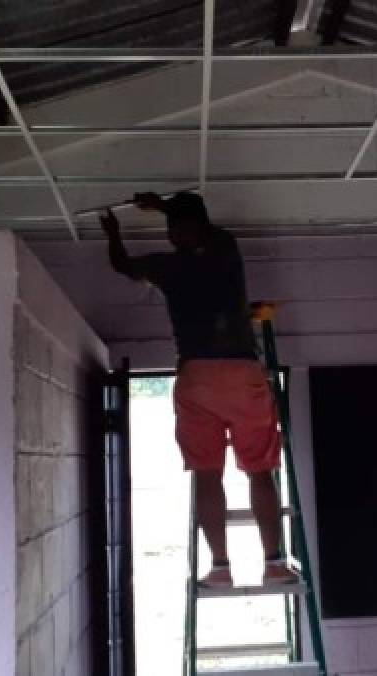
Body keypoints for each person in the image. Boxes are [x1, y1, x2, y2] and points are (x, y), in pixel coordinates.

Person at [101, 191, 296, 588]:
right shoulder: (225, 250)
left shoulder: (166, 267)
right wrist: (162, 206)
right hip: (241, 371)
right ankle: (274, 564)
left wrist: (113, 231)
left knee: (207, 474)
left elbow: (121, 264)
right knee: (261, 471)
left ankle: (220, 568)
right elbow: (200, 229)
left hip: (198, 377)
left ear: (172, 233)